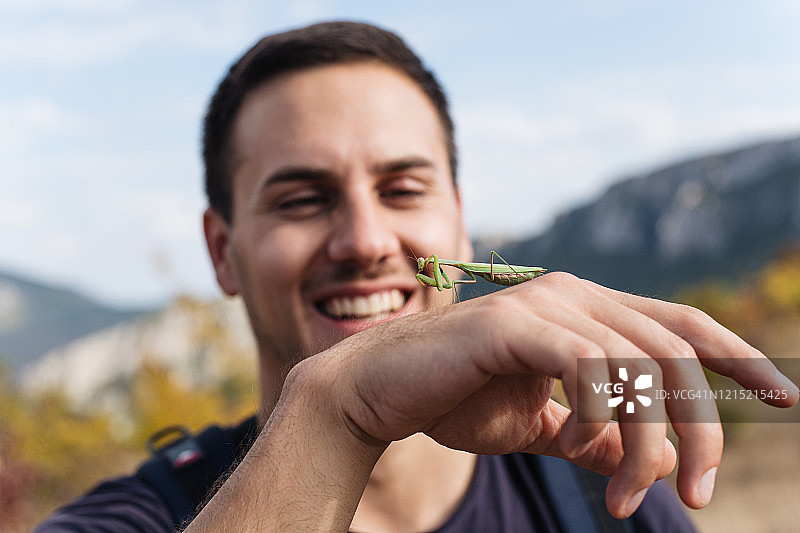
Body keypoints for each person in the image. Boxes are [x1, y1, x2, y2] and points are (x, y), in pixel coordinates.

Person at [36, 21, 798, 532]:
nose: (367, 240)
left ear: (461, 222)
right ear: (222, 251)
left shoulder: (609, 503)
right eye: (302, 199)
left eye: (404, 188)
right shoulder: (126, 517)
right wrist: (337, 410)